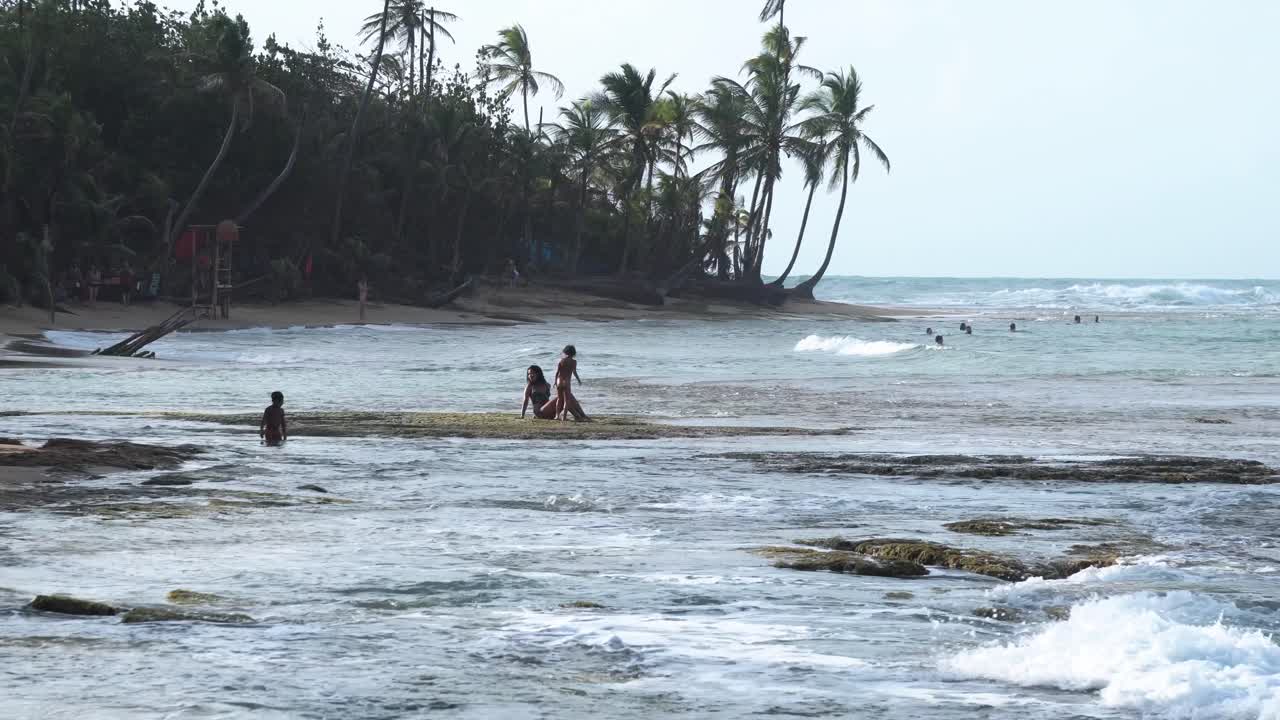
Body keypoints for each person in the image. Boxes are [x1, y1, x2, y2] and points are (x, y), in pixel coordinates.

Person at [522, 365, 587, 421]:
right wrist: (522, 415)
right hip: (540, 412)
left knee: (567, 396)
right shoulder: (530, 386)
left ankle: (581, 415)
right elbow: (525, 401)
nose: (530, 375)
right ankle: (579, 416)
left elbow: (547, 401)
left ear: (538, 374)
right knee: (566, 395)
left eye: (532, 373)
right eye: (528, 374)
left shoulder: (547, 385)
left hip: (551, 413)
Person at [553, 345, 582, 421]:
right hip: (567, 381)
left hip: (559, 380)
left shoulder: (561, 360)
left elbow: (557, 372)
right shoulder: (574, 362)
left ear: (565, 352)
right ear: (574, 353)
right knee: (567, 400)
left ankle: (557, 416)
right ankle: (564, 417)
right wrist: (578, 380)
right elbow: (574, 372)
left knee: (559, 399)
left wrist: (555, 381)